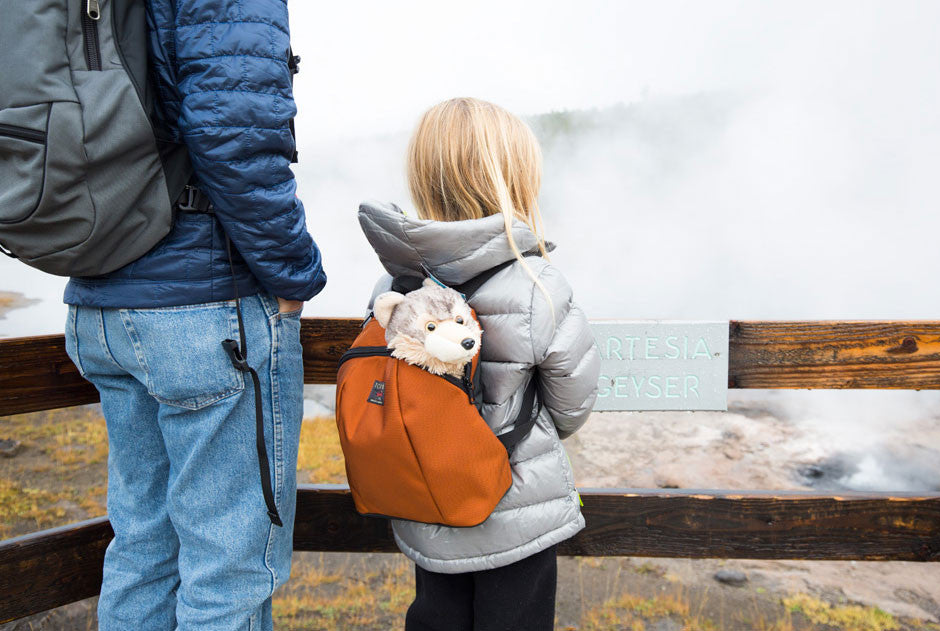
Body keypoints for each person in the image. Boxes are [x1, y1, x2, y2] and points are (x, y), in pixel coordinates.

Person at [62, 1, 325, 629]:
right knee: (228, 571)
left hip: (100, 299)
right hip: (202, 310)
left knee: (142, 550)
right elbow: (236, 137)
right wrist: (296, 278)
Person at [356, 97, 600, 631]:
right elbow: (573, 405)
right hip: (516, 507)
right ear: (516, 180)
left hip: (428, 500)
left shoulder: (394, 286)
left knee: (436, 616)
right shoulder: (537, 285)